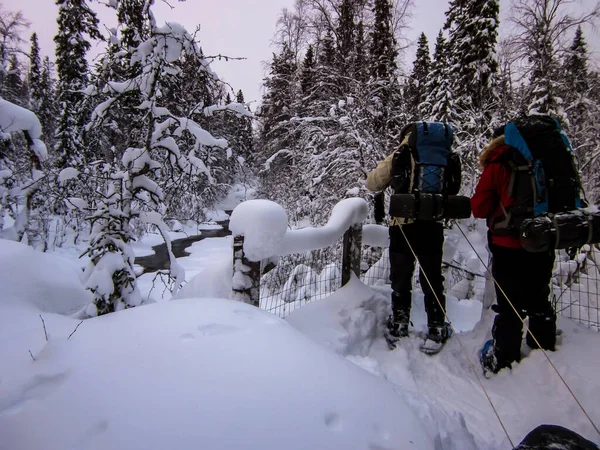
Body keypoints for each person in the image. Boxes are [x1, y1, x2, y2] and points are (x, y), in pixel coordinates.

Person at [366, 122, 461, 353]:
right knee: (431, 277)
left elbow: (372, 182)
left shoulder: (401, 153)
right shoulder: (446, 155)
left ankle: (399, 324)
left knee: (401, 275)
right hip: (433, 225)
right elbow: (454, 188)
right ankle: (436, 327)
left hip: (403, 225)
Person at [471, 127, 557, 375]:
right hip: (544, 240)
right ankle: (543, 350)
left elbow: (480, 207)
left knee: (510, 304)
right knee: (539, 296)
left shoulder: (499, 163)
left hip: (508, 244)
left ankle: (503, 358)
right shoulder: (545, 160)